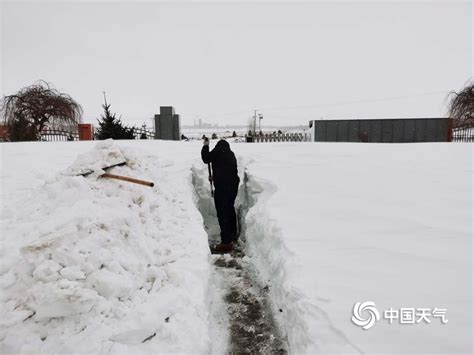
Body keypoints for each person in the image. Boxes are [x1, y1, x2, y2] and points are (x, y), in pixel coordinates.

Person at [201, 138, 240, 253]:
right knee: (230, 208)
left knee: (222, 213)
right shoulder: (231, 154)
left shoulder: (217, 151)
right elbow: (227, 169)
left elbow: (206, 158)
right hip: (233, 185)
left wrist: (205, 146)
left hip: (222, 187)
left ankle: (226, 242)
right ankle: (232, 234)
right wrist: (215, 177)